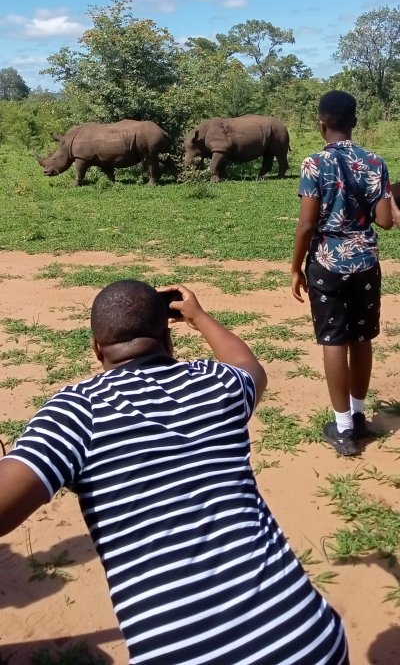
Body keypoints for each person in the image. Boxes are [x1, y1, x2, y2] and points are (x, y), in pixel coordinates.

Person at [0, 279, 349, 665]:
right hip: (310, 637)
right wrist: (199, 317)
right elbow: (251, 368)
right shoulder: (215, 383)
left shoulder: (77, 413)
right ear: (168, 340)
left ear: (97, 348)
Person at [291, 90, 393, 457]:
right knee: (361, 338)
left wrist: (295, 267)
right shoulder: (374, 161)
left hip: (327, 263)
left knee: (333, 340)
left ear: (322, 124)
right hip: (365, 262)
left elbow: (306, 225)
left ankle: (343, 427)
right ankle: (360, 416)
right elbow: (386, 221)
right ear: (355, 122)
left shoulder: (313, 164)